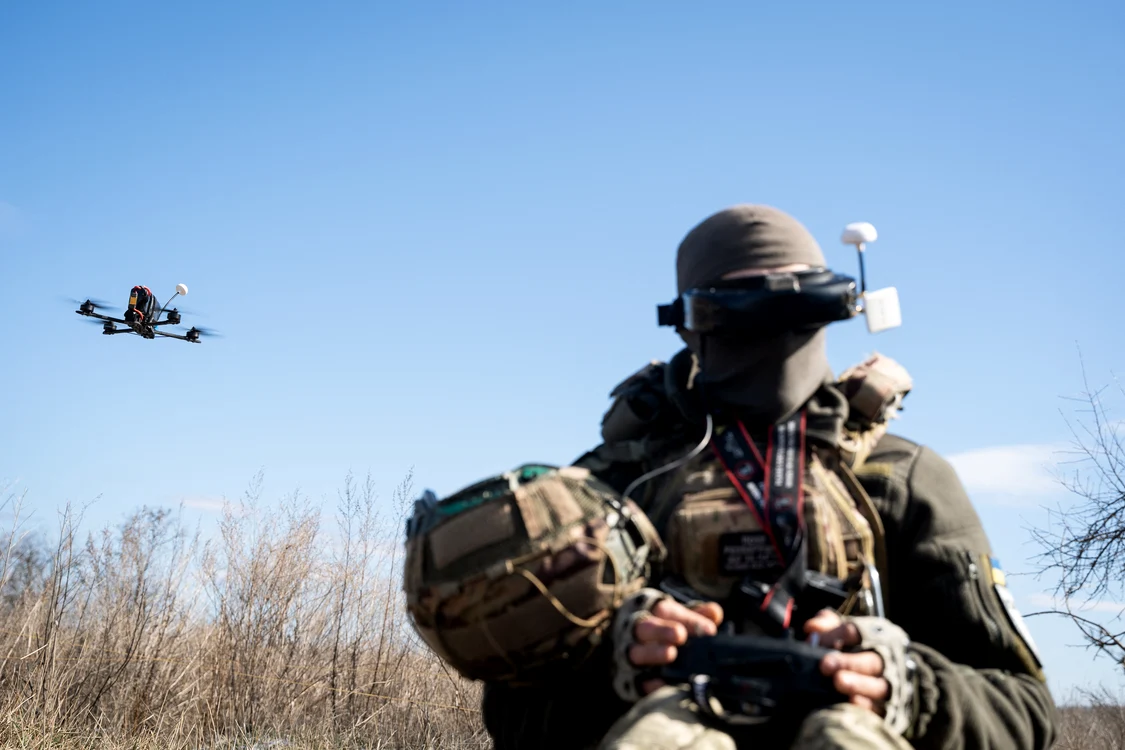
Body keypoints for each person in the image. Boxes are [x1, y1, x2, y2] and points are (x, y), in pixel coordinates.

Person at [479, 204, 1058, 750]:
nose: (772, 338)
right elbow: (513, 717)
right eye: (740, 313)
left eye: (797, 311)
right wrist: (617, 660)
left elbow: (1025, 710)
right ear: (688, 325)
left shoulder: (902, 480)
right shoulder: (614, 487)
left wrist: (907, 685)